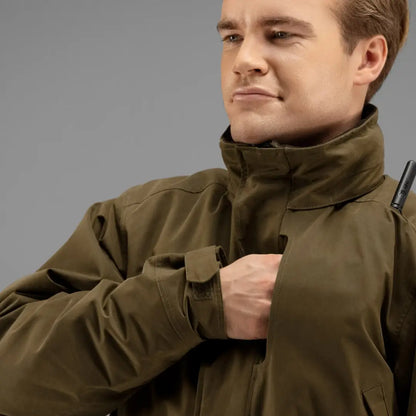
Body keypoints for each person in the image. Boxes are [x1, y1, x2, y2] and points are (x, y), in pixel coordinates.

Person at [0, 0, 414, 414]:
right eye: (232, 37)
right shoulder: (138, 221)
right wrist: (191, 304)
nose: (244, 60)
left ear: (367, 58)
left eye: (280, 34)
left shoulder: (406, 244)